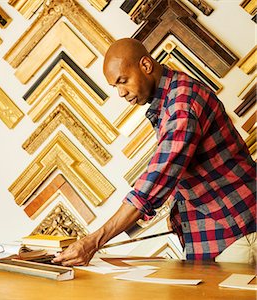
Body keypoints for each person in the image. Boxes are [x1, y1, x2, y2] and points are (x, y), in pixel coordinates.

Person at [52, 38, 256, 266]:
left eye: (123, 81)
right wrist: (178, 210)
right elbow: (189, 166)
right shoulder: (172, 98)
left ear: (146, 66)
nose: (121, 93)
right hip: (218, 231)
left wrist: (92, 242)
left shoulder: (182, 103)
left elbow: (156, 180)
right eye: (115, 86)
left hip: (237, 230)